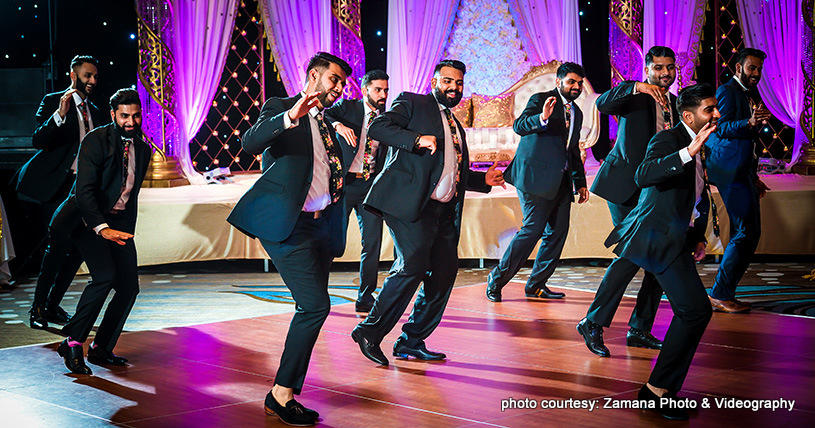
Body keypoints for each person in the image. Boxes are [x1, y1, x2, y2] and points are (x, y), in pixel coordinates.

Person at [351, 59, 504, 366]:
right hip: (408, 203)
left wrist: (481, 180)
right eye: (447, 81)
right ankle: (370, 331)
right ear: (434, 82)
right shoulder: (413, 102)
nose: (454, 87)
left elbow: (447, 169)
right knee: (413, 264)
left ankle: (411, 340)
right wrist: (415, 139)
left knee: (445, 271)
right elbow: (379, 127)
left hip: (441, 211)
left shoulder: (454, 124)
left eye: (459, 83)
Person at [227, 52, 352, 426]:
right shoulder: (281, 107)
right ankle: (281, 395)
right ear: (314, 76)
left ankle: (286, 392)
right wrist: (289, 117)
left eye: (343, 83)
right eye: (335, 80)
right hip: (288, 226)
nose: (340, 88)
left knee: (312, 308)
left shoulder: (329, 124)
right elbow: (250, 142)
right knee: (314, 306)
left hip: (321, 227)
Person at [602, 83, 718, 420]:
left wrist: (697, 234)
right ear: (687, 116)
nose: (716, 115)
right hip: (656, 238)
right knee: (695, 311)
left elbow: (695, 192)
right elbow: (644, 174)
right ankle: (655, 391)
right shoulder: (668, 140)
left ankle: (661, 390)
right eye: (709, 110)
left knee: (695, 311)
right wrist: (687, 152)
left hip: (675, 238)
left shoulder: (700, 141)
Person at [577, 46, 680, 356]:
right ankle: (592, 321)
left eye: (670, 67)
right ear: (647, 69)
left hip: (657, 192)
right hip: (625, 187)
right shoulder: (633, 96)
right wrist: (637, 86)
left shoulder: (676, 104)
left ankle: (639, 329)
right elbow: (602, 102)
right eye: (658, 68)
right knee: (634, 253)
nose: (665, 73)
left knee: (657, 257)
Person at [54, 88, 150, 376]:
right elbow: (84, 192)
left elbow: (128, 195)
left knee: (129, 287)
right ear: (113, 115)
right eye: (124, 116)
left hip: (118, 224)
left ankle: (101, 348)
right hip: (87, 221)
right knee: (105, 277)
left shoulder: (142, 149)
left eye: (135, 116)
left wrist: (120, 229)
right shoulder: (95, 141)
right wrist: (102, 228)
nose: (130, 122)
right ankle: (72, 341)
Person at [485, 62, 589, 303]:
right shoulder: (541, 99)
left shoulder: (577, 112)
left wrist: (580, 182)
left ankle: (537, 285)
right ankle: (496, 279)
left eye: (579, 83)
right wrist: (542, 117)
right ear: (558, 82)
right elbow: (519, 126)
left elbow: (572, 149)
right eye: (571, 82)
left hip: (561, 181)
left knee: (557, 234)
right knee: (532, 230)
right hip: (533, 178)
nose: (576, 87)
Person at [17, 55, 102, 329]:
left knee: (78, 250)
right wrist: (60, 113)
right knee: (58, 247)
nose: (91, 81)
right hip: (55, 187)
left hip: (81, 188)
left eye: (95, 76)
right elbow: (38, 140)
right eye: (87, 75)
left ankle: (52, 304)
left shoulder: (96, 111)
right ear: (72, 75)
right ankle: (38, 308)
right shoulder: (54, 101)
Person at [705, 48, 771, 314]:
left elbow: (745, 139)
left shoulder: (743, 93)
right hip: (729, 171)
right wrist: (749, 121)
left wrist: (752, 177)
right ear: (739, 67)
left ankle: (723, 291)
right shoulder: (727, 91)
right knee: (746, 232)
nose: (756, 73)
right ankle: (721, 293)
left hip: (740, 171)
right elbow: (719, 126)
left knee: (748, 232)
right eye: (751, 68)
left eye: (759, 69)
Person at [324, 69, 390, 313]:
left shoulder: (388, 117)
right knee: (332, 240)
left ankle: (365, 297)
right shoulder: (348, 108)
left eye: (385, 90)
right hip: (346, 184)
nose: (383, 94)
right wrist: (339, 125)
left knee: (372, 243)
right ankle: (318, 292)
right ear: (365, 90)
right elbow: (326, 114)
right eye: (378, 90)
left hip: (370, 185)